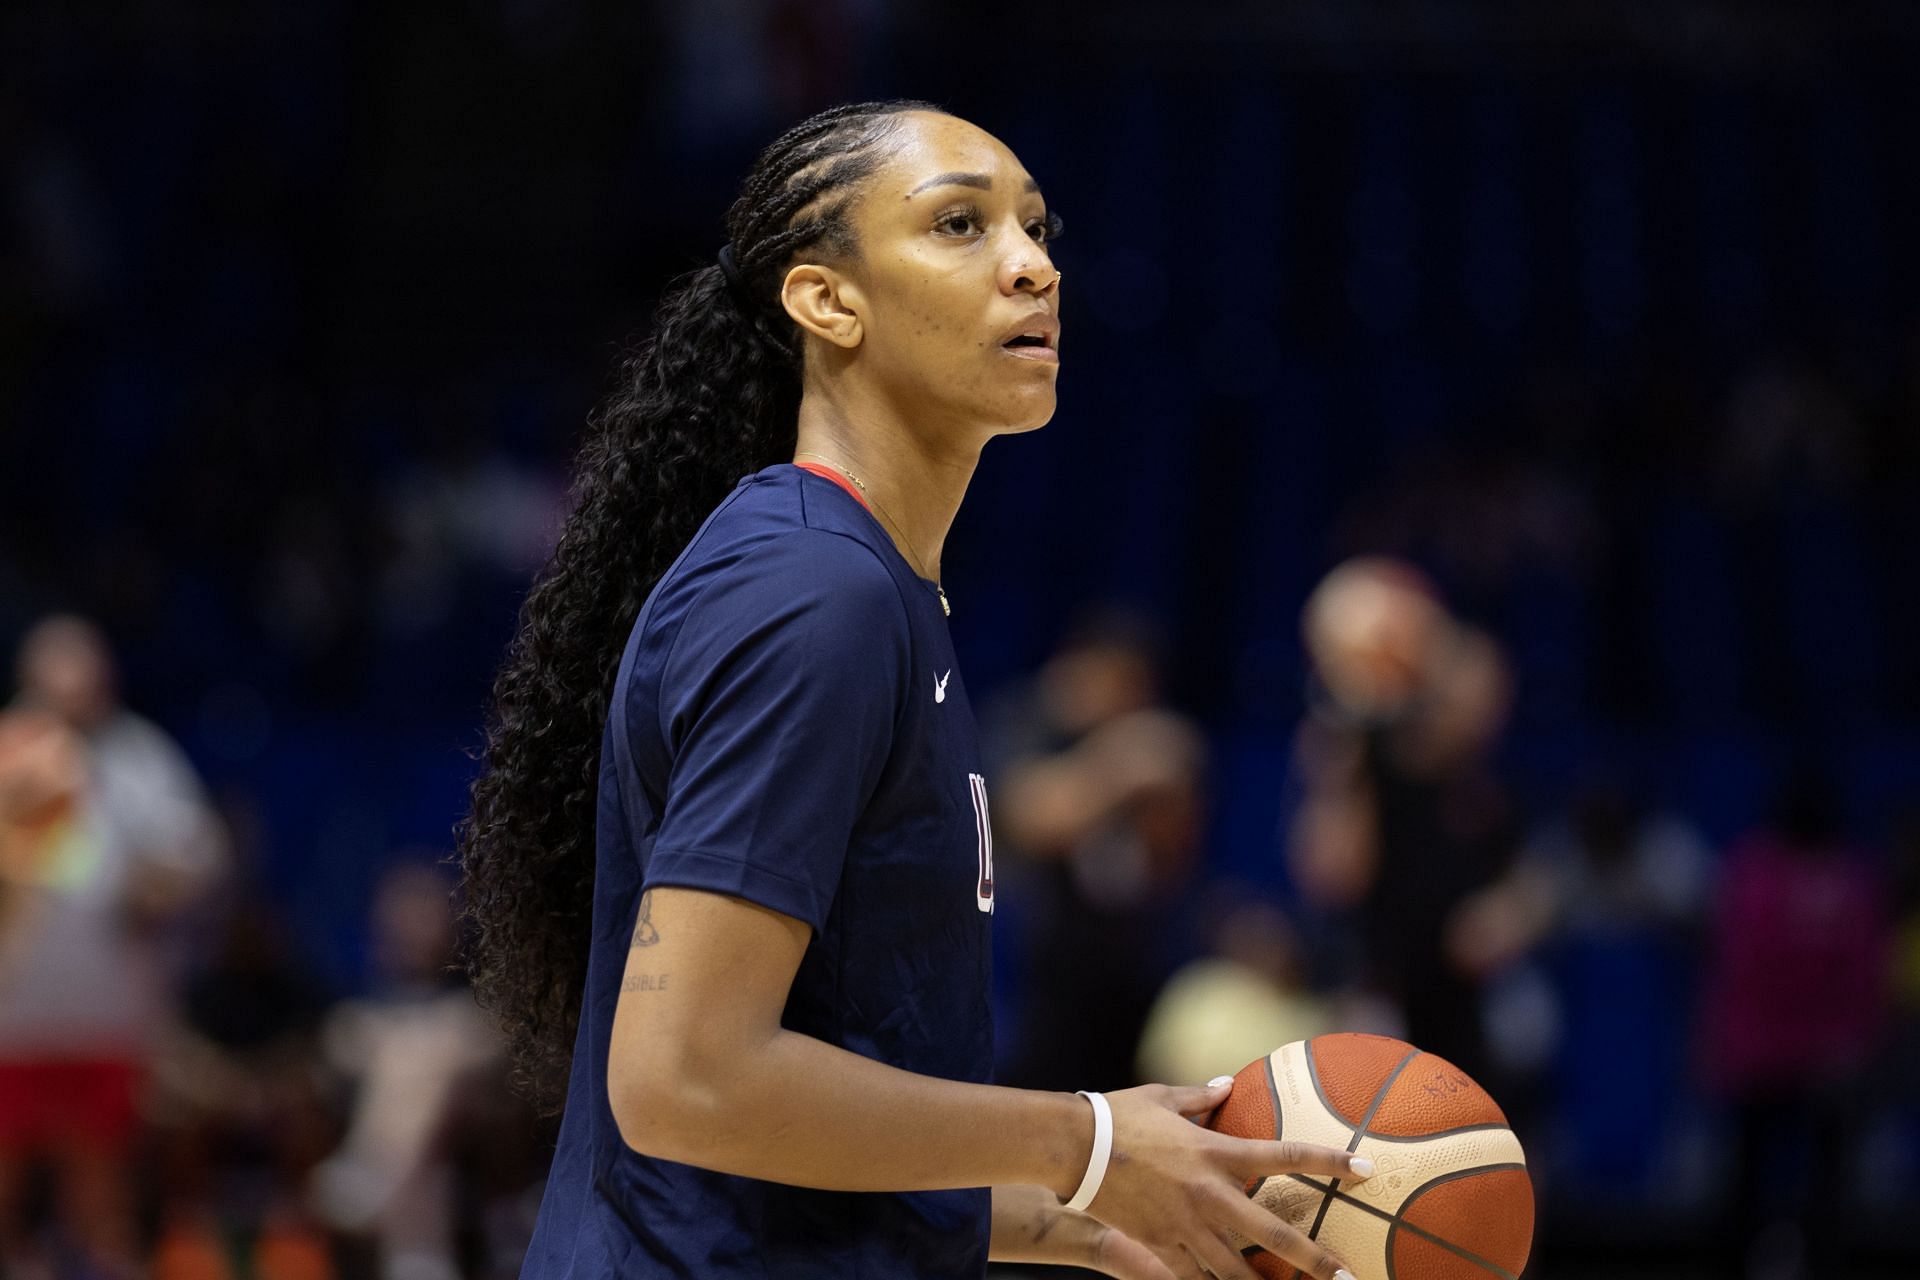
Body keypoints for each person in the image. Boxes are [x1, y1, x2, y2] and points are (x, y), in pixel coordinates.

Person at [457, 101, 1370, 1280]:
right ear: (827, 300)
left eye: (1038, 230)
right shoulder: (814, 591)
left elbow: (790, 1137)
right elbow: (686, 1077)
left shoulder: (867, 585)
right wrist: (1087, 1140)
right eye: (959, 224)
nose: (1035, 263)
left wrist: (1099, 1219)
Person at [0, 615, 226, 1280]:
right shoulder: (7, 750)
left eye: (83, 675)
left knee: (98, 1193)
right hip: (11, 1023)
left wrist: (156, 890)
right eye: (56, 677)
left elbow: (199, 858)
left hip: (108, 1019)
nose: (70, 691)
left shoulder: (140, 756)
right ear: (30, 679)